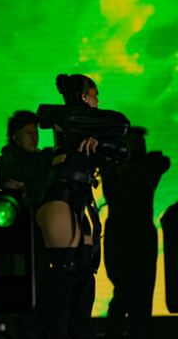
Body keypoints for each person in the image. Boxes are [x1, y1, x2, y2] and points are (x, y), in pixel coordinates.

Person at [35, 74, 130, 339]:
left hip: (79, 198)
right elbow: (121, 123)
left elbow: (123, 151)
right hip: (63, 196)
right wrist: (104, 139)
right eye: (95, 94)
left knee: (83, 277)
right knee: (63, 278)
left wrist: (101, 143)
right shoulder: (68, 117)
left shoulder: (84, 126)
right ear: (84, 96)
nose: (98, 101)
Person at [101, 126, 170, 339]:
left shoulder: (145, 168)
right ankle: (116, 331)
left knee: (140, 293)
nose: (139, 147)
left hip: (140, 238)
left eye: (141, 143)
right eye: (134, 142)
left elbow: (163, 161)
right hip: (121, 239)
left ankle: (133, 331)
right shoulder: (113, 169)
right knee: (126, 290)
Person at [0, 110, 52, 338]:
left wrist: (29, 186)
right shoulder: (5, 161)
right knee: (8, 300)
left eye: (35, 132)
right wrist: (35, 184)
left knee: (37, 299)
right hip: (10, 244)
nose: (34, 137)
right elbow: (7, 177)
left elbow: (43, 180)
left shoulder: (44, 160)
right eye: (28, 132)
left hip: (37, 242)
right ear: (15, 136)